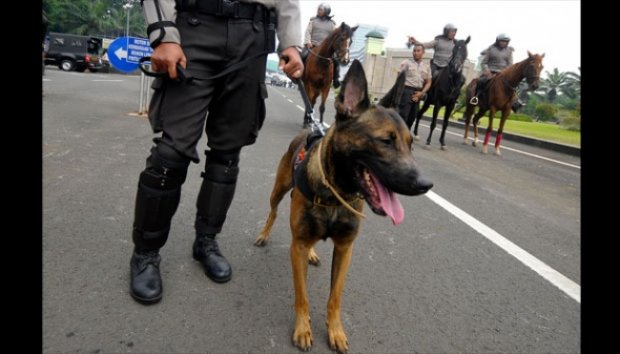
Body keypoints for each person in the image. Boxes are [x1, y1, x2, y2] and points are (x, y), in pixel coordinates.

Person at [130, 0, 303, 305]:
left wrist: (290, 42)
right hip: (194, 29)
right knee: (170, 154)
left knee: (227, 156)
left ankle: (206, 241)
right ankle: (146, 252)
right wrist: (165, 34)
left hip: (252, 39)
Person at [469, 33, 514, 105]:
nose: (504, 43)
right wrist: (487, 71)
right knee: (481, 81)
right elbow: (484, 63)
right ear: (498, 41)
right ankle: (475, 97)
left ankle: (513, 103)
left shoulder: (509, 51)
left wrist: (505, 72)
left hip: (503, 73)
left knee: (512, 85)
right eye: (502, 41)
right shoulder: (491, 49)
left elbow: (510, 64)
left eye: (505, 41)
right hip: (490, 71)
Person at [302, 2, 340, 88]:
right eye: (318, 9)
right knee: (302, 55)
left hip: (326, 49)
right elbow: (308, 32)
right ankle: (299, 75)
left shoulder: (332, 24)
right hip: (312, 46)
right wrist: (308, 41)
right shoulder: (313, 20)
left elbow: (334, 36)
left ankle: (336, 79)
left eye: (321, 9)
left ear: (327, 11)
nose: (319, 11)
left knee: (336, 60)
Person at [397, 43, 432, 129]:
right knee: (403, 117)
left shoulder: (426, 67)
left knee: (412, 118)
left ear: (423, 53)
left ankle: (404, 135)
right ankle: (399, 138)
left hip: (418, 92)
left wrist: (422, 93)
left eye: (418, 51)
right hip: (406, 91)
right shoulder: (406, 63)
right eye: (414, 51)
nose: (415, 53)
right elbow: (399, 78)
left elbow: (428, 82)